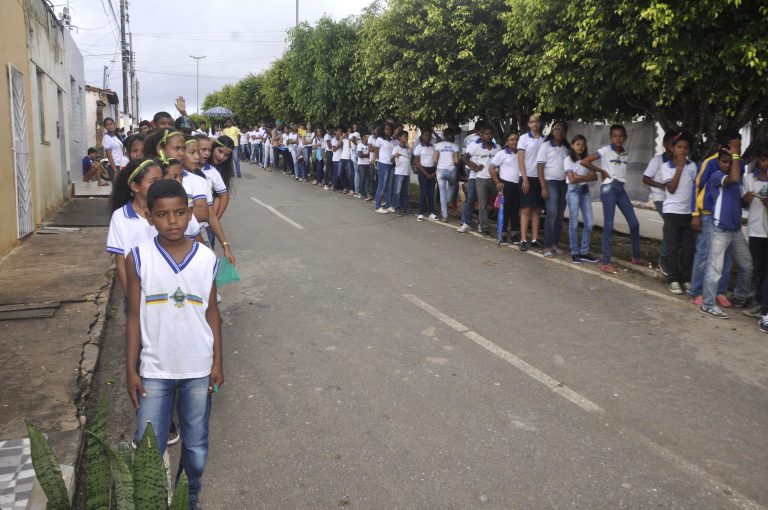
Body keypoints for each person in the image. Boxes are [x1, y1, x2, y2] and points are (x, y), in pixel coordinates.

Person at [124, 179, 223, 510]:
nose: (173, 221)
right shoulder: (138, 258)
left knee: (196, 445)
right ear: (149, 217)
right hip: (154, 369)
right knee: (147, 446)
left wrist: (218, 362)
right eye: (162, 214)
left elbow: (212, 312)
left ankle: (187, 500)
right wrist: (131, 369)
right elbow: (133, 317)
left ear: (190, 213)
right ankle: (152, 502)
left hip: (198, 367)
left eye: (180, 212)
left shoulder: (206, 258)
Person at [107, 159, 200, 297]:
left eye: (161, 179)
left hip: (176, 289)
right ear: (135, 187)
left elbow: (196, 245)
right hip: (139, 290)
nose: (160, 185)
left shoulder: (177, 211)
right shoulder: (120, 217)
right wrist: (131, 298)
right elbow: (121, 263)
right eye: (154, 181)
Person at [689, 130, 745, 307]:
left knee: (725, 257)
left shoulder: (739, 163)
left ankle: (720, 291)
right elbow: (696, 186)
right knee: (704, 254)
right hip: (708, 214)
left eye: (739, 146)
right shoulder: (710, 163)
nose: (737, 149)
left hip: (726, 217)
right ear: (723, 147)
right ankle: (697, 291)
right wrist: (695, 214)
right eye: (734, 146)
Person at [581, 124, 643, 274]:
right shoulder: (605, 150)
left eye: (620, 136)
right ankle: (606, 263)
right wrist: (601, 171)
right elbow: (585, 161)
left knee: (634, 223)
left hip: (620, 189)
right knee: (608, 226)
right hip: (609, 189)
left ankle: (636, 257)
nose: (618, 138)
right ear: (611, 137)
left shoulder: (625, 152)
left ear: (625, 137)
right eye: (615, 136)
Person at [700, 149, 752, 318]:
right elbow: (734, 177)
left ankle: (740, 297)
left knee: (747, 265)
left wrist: (745, 200)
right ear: (719, 163)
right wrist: (736, 155)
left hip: (735, 230)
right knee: (714, 268)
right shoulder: (717, 176)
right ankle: (708, 304)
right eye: (724, 161)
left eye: (730, 162)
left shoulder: (737, 182)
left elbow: (738, 202)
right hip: (720, 229)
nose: (728, 165)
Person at [661, 132, 697, 294]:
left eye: (685, 148)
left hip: (688, 213)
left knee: (689, 249)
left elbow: (696, 189)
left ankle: (686, 279)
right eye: (679, 147)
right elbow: (671, 188)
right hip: (672, 212)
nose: (682, 150)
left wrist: (696, 212)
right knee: (673, 248)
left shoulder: (692, 166)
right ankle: (673, 280)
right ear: (673, 148)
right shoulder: (666, 166)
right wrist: (680, 168)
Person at [642, 131, 675, 275]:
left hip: (674, 200)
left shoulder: (679, 161)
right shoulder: (657, 160)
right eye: (672, 143)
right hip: (661, 198)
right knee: (671, 227)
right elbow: (645, 178)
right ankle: (663, 260)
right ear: (665, 144)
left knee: (675, 229)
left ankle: (672, 260)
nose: (675, 146)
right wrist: (660, 185)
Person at [537, 121, 570, 256]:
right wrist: (543, 187)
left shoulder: (567, 148)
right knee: (552, 214)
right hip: (550, 183)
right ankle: (547, 246)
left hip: (564, 184)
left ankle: (555, 244)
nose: (559, 132)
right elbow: (540, 167)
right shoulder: (545, 146)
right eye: (557, 129)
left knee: (559, 215)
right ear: (552, 131)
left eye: (562, 130)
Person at [564, 135, 599, 263]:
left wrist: (579, 177)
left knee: (589, 222)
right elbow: (572, 179)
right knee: (573, 222)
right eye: (577, 144)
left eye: (583, 145)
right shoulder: (568, 160)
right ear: (572, 145)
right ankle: (575, 252)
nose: (580, 147)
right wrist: (584, 177)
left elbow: (595, 177)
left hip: (584, 191)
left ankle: (584, 252)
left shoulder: (586, 160)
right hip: (573, 191)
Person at [743, 147, 768, 319]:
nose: (766, 163)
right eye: (764, 160)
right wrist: (745, 199)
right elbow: (743, 204)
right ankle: (760, 303)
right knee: (759, 270)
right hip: (756, 231)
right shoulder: (749, 179)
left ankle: (764, 306)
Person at [462, 126, 499, 236]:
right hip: (478, 177)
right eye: (485, 134)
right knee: (474, 200)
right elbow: (464, 157)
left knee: (496, 203)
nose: (488, 136)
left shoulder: (497, 147)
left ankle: (487, 224)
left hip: (494, 178)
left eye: (490, 134)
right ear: (481, 134)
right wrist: (474, 168)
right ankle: (468, 223)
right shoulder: (475, 145)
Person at [517, 114, 545, 250]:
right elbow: (520, 160)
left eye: (537, 121)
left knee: (537, 209)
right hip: (527, 177)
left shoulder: (545, 139)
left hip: (540, 178)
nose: (535, 124)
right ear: (528, 124)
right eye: (532, 122)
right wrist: (525, 179)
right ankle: (523, 239)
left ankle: (534, 238)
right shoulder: (523, 138)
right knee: (526, 208)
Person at [489, 132, 521, 243]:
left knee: (515, 211)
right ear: (507, 142)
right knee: (505, 210)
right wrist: (497, 182)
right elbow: (491, 168)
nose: (514, 142)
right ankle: (502, 234)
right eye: (512, 140)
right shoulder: (501, 153)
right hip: (506, 185)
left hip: (518, 185)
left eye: (516, 139)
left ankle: (514, 234)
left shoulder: (521, 153)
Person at [434, 128, 461, 222]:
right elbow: (456, 161)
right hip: (451, 170)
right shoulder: (455, 146)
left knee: (442, 193)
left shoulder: (438, 145)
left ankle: (444, 216)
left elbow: (435, 160)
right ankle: (446, 203)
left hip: (440, 171)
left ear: (444, 136)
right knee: (451, 187)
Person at [413, 128, 437, 221]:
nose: (428, 137)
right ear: (422, 136)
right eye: (426, 135)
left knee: (431, 193)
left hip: (432, 170)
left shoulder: (433, 147)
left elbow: (436, 160)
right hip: (423, 171)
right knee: (423, 193)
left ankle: (432, 213)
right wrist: (426, 174)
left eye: (429, 135)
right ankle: (420, 213)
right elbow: (417, 163)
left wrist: (434, 173)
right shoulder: (419, 148)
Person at [372, 123, 395, 213]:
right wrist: (376, 161)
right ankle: (378, 206)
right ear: (383, 130)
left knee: (388, 186)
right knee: (381, 185)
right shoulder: (380, 139)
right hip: (383, 164)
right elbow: (376, 151)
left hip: (390, 164)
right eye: (387, 129)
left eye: (390, 129)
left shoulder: (392, 140)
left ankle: (388, 205)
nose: (389, 131)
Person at [391, 130, 412, 216]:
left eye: (407, 137)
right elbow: (391, 159)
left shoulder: (407, 149)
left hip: (407, 173)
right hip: (399, 172)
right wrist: (394, 156)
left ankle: (405, 207)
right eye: (405, 136)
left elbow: (410, 158)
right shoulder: (396, 148)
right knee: (397, 191)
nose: (406, 138)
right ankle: (397, 208)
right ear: (400, 137)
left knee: (406, 192)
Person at [357, 134, 373, 200]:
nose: (368, 140)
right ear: (363, 139)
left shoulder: (369, 146)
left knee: (368, 179)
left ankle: (367, 192)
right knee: (362, 179)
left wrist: (366, 155)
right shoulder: (359, 145)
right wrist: (368, 155)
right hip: (362, 164)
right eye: (367, 139)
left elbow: (370, 154)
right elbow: (360, 155)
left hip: (369, 164)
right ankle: (362, 193)